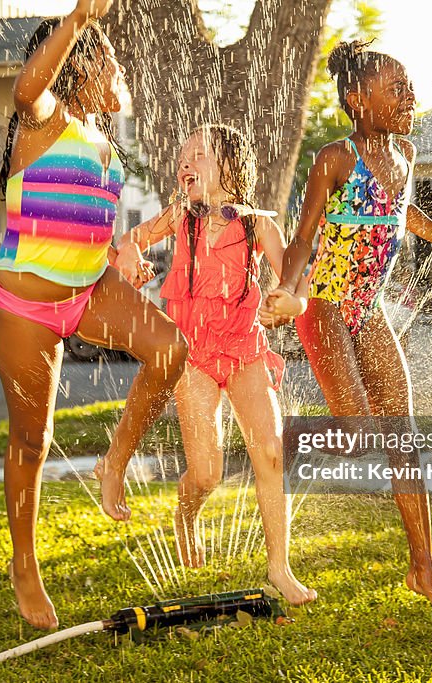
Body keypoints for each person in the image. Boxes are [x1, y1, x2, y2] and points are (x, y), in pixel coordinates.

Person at [264, 40, 432, 624]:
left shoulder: (406, 152)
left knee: (403, 437)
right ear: (357, 100)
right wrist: (289, 290)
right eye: (395, 89)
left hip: (367, 310)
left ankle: (423, 568)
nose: (410, 96)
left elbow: (397, 210)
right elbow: (302, 237)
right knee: (357, 433)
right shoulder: (335, 159)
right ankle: (280, 440)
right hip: (322, 305)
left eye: (407, 86)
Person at [0, 0, 187, 630]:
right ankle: (25, 563)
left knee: (170, 350)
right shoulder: (45, 121)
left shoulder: (106, 142)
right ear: (82, 67)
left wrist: (118, 254)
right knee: (32, 439)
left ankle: (113, 463)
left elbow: (81, 218)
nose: (122, 69)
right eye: (111, 58)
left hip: (91, 287)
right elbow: (27, 88)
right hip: (27, 305)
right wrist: (78, 16)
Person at [111, 124, 317, 605]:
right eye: (182, 156)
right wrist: (129, 258)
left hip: (245, 349)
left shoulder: (259, 223)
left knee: (270, 451)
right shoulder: (180, 217)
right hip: (194, 356)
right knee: (206, 473)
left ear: (228, 167)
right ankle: (187, 513)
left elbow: (296, 287)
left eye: (198, 155)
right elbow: (131, 241)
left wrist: (288, 303)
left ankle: (279, 568)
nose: (185, 163)